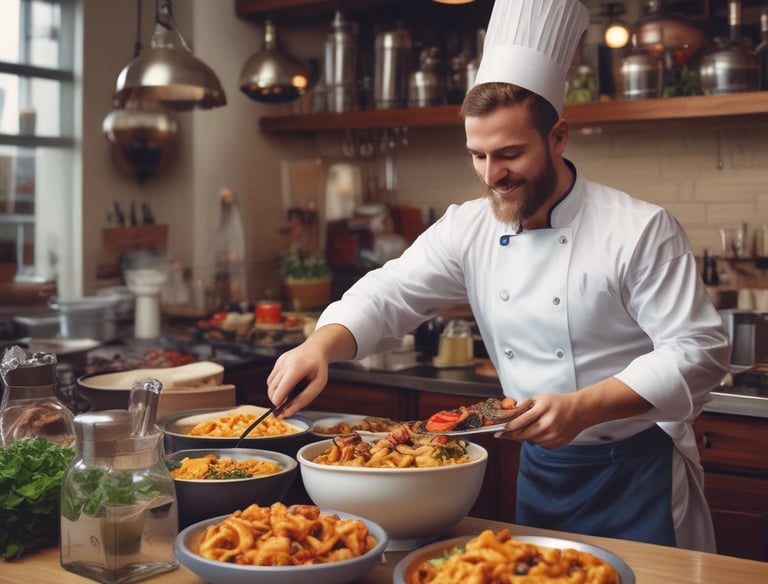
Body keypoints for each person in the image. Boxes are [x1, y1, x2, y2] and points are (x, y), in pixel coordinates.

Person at [266, 0, 731, 552]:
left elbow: (698, 351)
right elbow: (390, 293)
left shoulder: (639, 228)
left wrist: (583, 406)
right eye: (478, 156)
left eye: (510, 154)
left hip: (635, 473)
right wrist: (320, 345)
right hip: (541, 471)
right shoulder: (469, 227)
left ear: (558, 137)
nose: (493, 176)